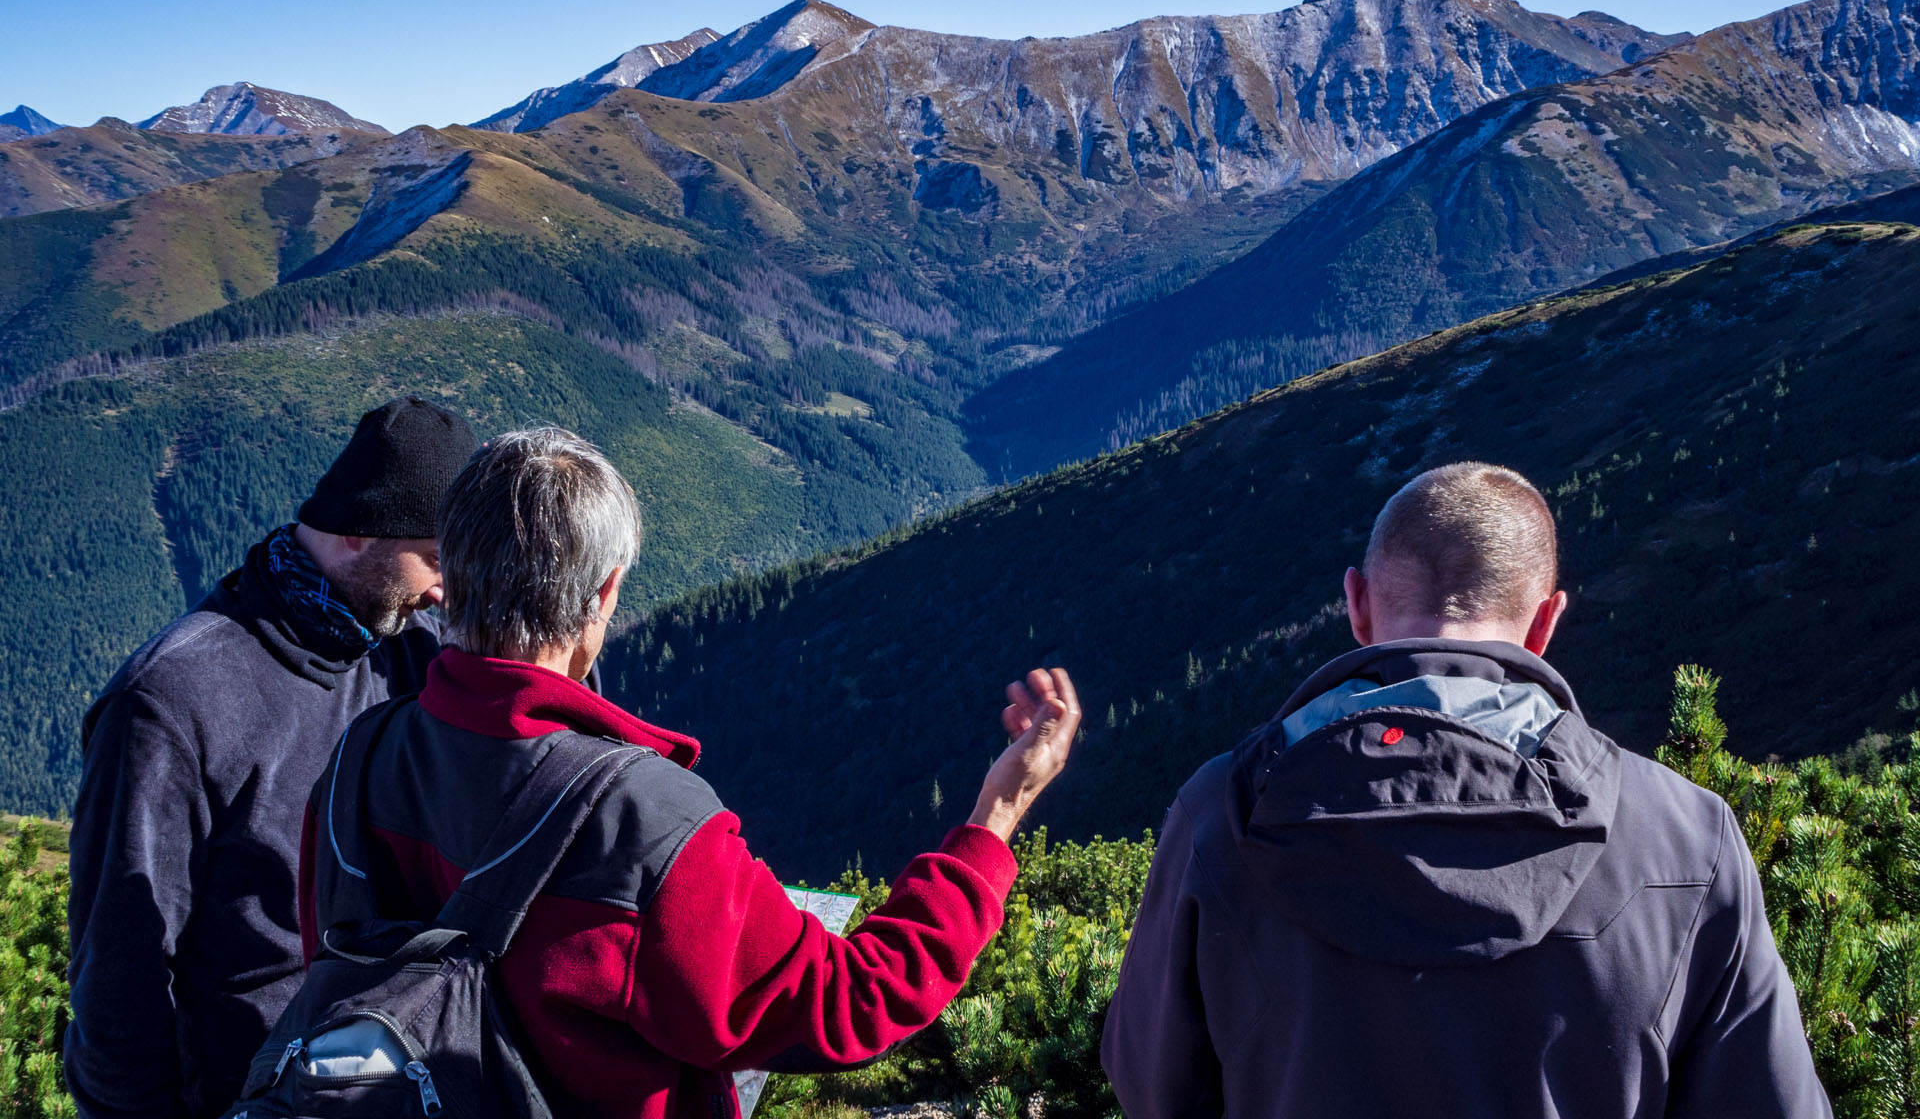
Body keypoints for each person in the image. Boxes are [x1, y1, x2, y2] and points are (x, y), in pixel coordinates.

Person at [295, 426, 1082, 1119]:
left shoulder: (359, 760)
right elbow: (855, 1001)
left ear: (454, 578)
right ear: (602, 594)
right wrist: (995, 819)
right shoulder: (647, 824)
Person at [1102, 461, 1831, 1118]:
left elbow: (1150, 1087)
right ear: (1546, 622)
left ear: (1357, 607)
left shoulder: (1218, 816)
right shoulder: (1687, 838)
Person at [66, 397, 479, 1119]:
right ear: (358, 531)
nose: (446, 593)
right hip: (249, 1097)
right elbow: (117, 979)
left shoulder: (411, 661)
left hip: (396, 1085)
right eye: (437, 560)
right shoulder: (169, 702)